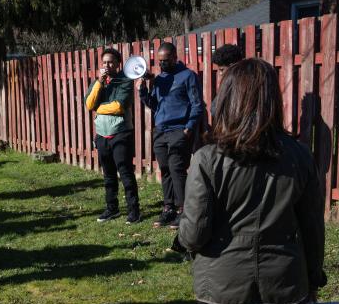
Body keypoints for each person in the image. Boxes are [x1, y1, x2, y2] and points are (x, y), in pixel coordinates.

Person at [178, 59, 326, 304]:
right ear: (273, 100)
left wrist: (183, 237)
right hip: (283, 280)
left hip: (222, 280)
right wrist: (313, 276)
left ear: (228, 98)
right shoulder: (299, 155)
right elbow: (312, 227)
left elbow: (193, 234)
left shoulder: (207, 158)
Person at [139, 42, 203, 229]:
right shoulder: (159, 79)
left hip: (179, 129)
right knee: (165, 169)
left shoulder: (188, 76)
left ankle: (184, 210)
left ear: (175, 57)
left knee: (177, 169)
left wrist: (188, 128)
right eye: (160, 61)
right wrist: (143, 90)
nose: (162, 64)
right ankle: (168, 209)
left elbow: (197, 104)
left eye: (166, 61)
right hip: (161, 131)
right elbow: (154, 105)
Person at [84, 47, 140, 224]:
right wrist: (100, 82)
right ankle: (112, 208)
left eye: (110, 62)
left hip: (120, 133)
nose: (107, 65)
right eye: (104, 62)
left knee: (125, 173)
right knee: (108, 175)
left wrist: (98, 109)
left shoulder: (125, 81)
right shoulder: (98, 82)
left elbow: (118, 106)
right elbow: (89, 103)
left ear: (118, 64)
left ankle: (134, 210)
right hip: (102, 135)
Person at [210, 44, 243, 117]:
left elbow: (215, 110)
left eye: (222, 70)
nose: (221, 74)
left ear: (232, 66)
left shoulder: (235, 83)